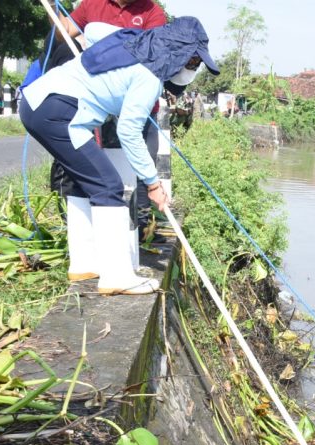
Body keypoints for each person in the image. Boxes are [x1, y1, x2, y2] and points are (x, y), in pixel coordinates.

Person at [19, 17, 218, 295]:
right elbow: (128, 131)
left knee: (83, 181)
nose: (192, 70)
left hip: (38, 103)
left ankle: (84, 263)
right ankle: (116, 277)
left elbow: (93, 30)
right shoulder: (149, 76)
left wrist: (129, 37)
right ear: (178, 53)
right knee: (107, 186)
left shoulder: (136, 42)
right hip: (58, 110)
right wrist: (152, 183)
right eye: (193, 62)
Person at [52, 0, 170, 241]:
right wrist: (54, 10)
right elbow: (63, 33)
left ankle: (141, 223)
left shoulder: (153, 13)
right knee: (91, 166)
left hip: (137, 103)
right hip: (98, 100)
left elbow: (151, 57)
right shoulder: (92, 4)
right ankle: (83, 224)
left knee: (143, 160)